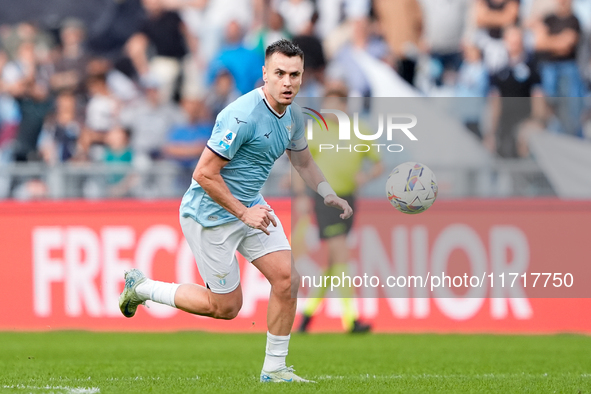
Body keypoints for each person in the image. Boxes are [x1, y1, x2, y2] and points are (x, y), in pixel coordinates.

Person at [118, 39, 352, 383]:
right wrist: (244, 214)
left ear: (302, 78)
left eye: (294, 75)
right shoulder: (240, 116)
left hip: (250, 205)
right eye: (280, 73)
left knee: (288, 280)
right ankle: (142, 288)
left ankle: (274, 369)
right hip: (209, 216)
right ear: (265, 75)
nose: (287, 82)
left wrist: (327, 192)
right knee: (225, 308)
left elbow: (301, 160)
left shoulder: (294, 116)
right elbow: (203, 173)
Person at [295, 86, 383, 334]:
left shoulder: (359, 131)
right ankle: (351, 319)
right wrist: (302, 194)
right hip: (325, 200)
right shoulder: (316, 132)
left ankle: (307, 315)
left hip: (349, 199)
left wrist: (365, 177)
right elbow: (300, 164)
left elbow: (378, 164)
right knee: (341, 255)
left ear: (344, 107)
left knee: (334, 262)